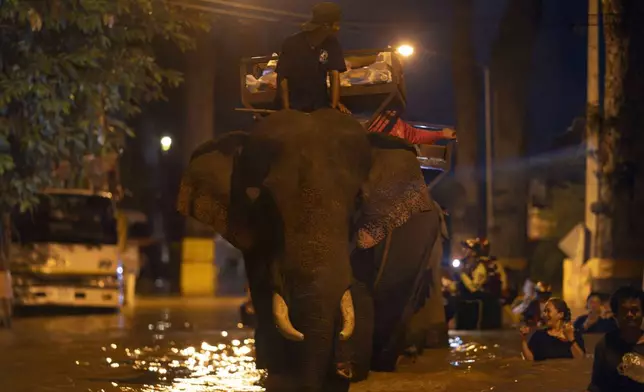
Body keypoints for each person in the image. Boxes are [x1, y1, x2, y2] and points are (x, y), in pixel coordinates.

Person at [275, 2, 350, 114]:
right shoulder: (292, 43)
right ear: (326, 26)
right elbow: (282, 77)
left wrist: (334, 106)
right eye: (336, 24)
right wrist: (287, 110)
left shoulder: (332, 43)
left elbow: (334, 74)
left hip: (320, 104)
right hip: (295, 104)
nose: (338, 28)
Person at [587, 286, 644, 391]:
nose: (629, 315)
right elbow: (597, 386)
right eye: (624, 310)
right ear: (615, 315)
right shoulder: (605, 345)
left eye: (634, 310)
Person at [519, 297, 585, 361]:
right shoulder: (539, 335)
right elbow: (530, 360)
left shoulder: (575, 334)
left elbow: (580, 360)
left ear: (560, 314)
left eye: (548, 311)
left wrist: (571, 339)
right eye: (544, 311)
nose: (544, 315)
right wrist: (523, 340)